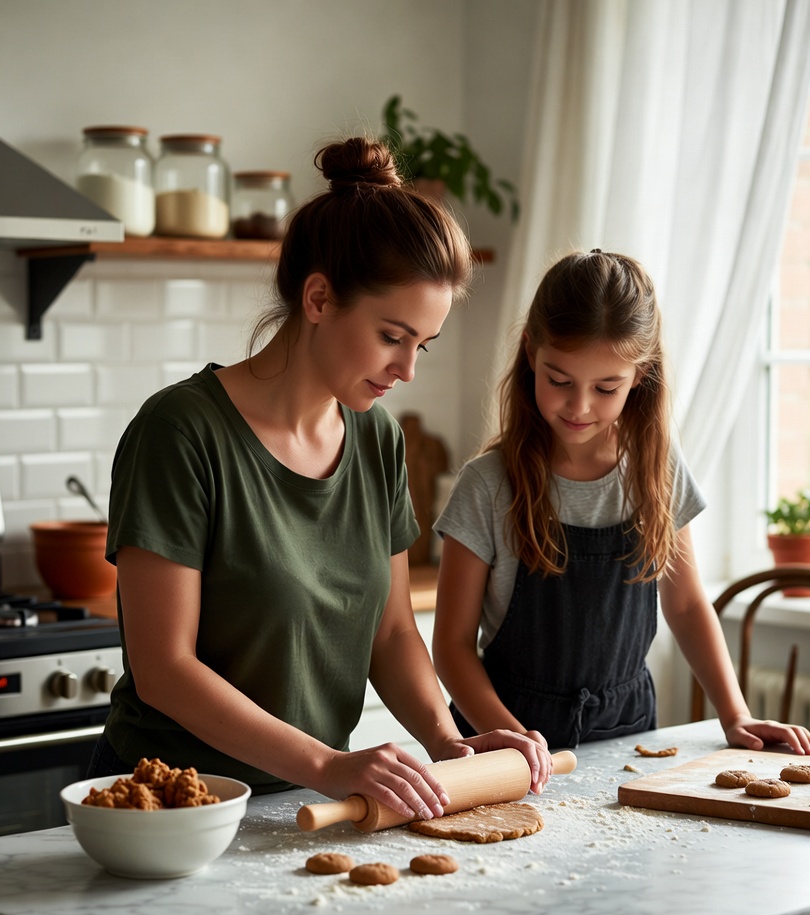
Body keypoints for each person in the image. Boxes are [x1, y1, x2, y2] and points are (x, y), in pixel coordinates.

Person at [86, 136, 552, 822]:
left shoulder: (377, 438)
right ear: (318, 298)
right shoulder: (180, 433)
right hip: (173, 808)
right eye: (393, 336)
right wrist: (328, 764)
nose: (407, 369)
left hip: (308, 807)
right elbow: (164, 670)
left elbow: (391, 634)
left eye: (422, 345)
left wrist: (450, 745)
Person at [431, 249, 810, 756]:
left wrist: (735, 714)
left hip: (629, 736)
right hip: (501, 743)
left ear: (640, 375)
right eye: (559, 380)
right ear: (531, 354)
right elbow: (452, 645)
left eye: (606, 387)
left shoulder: (656, 472)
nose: (579, 406)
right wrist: (511, 739)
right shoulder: (487, 485)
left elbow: (685, 603)